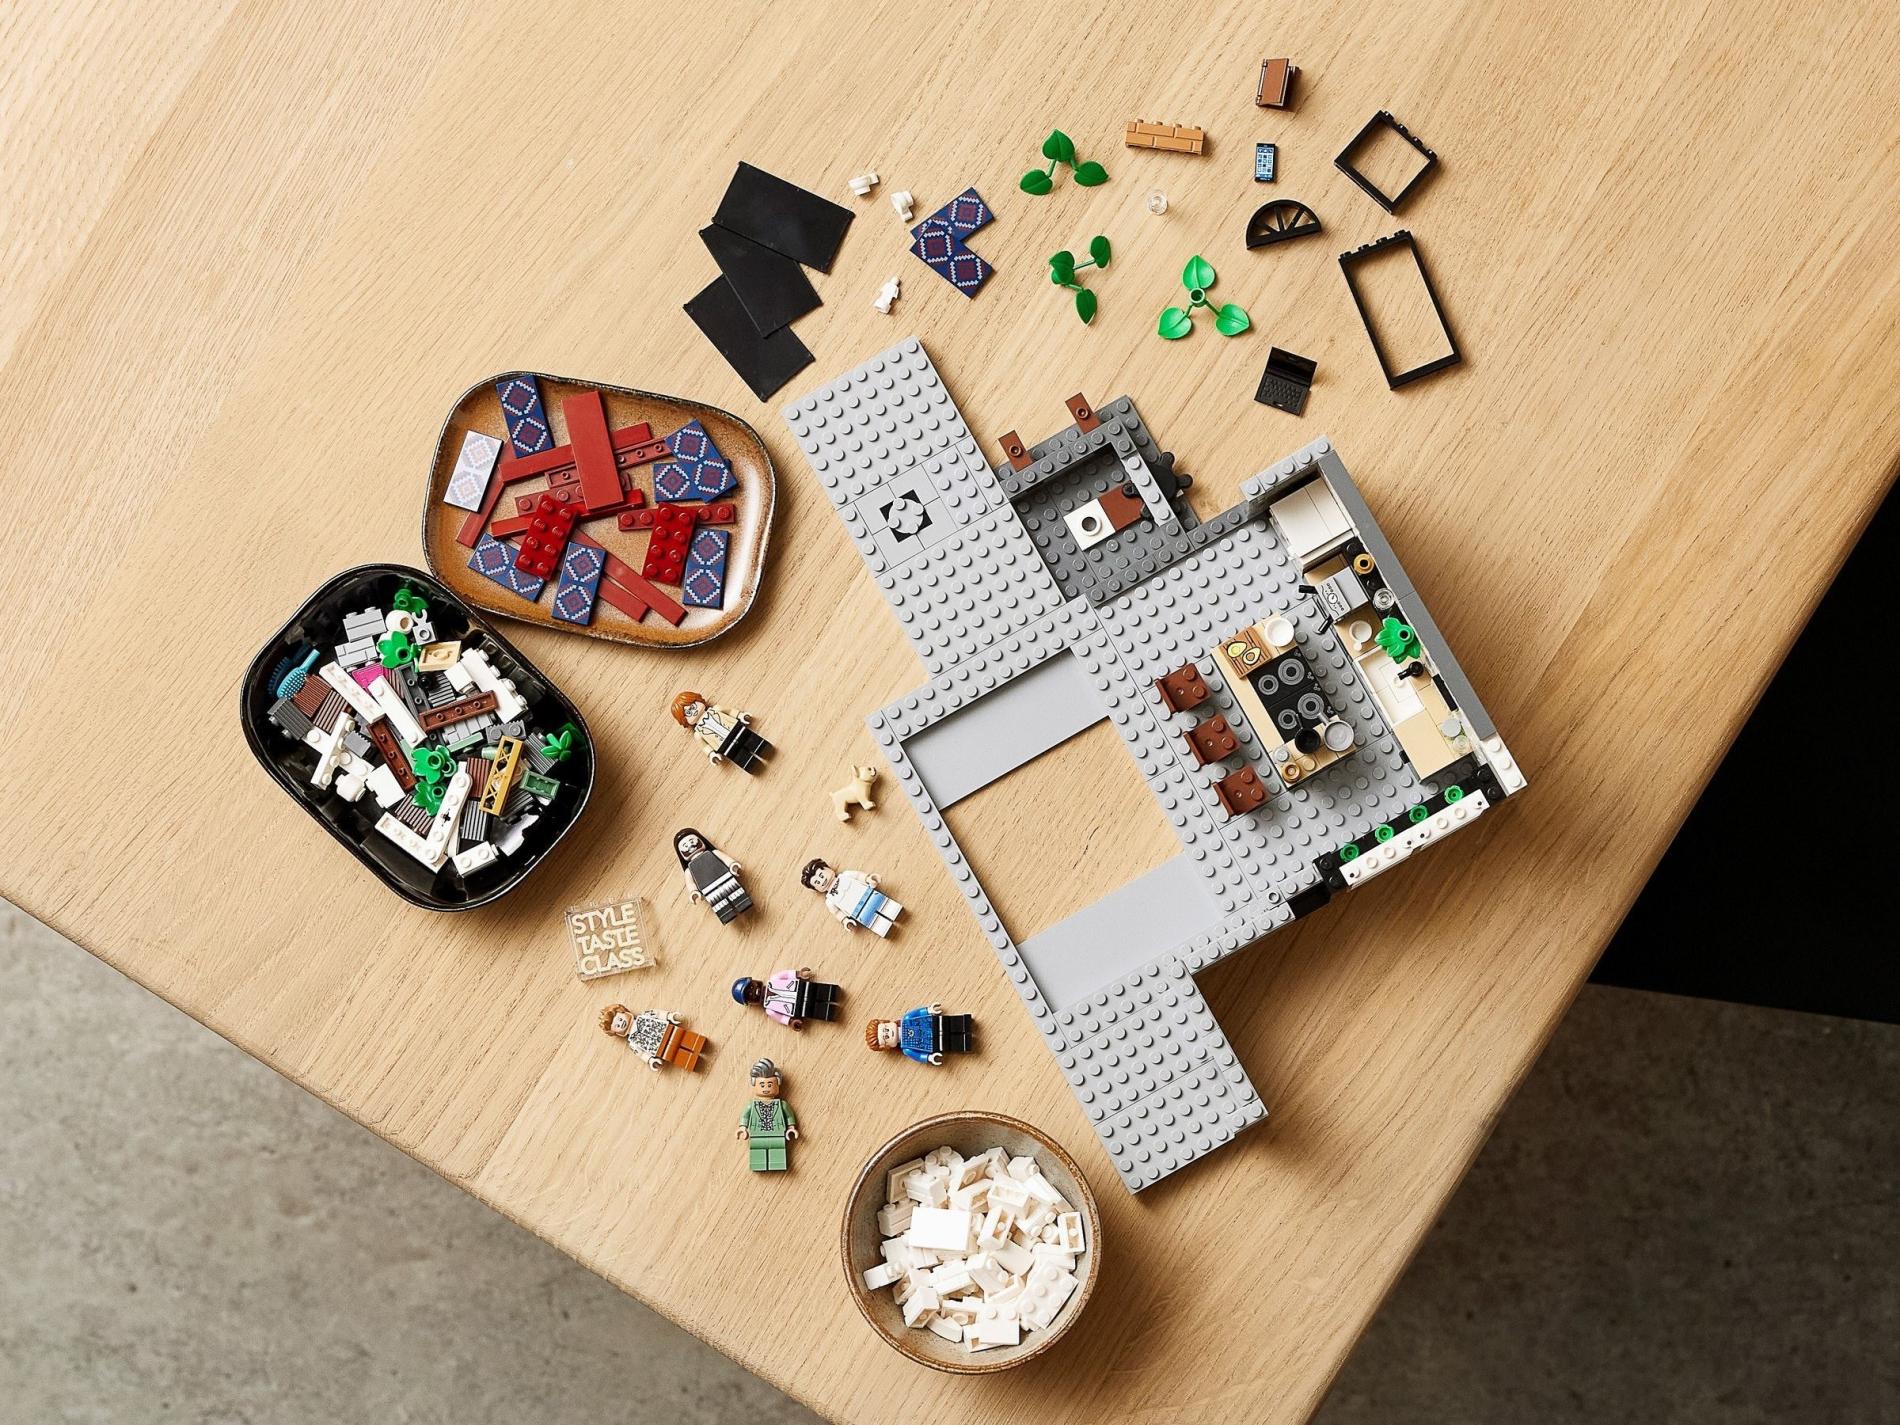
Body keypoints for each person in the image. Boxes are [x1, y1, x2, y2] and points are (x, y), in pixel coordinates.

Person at [670, 690, 771, 774]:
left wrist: (740, 715)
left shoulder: (716, 709)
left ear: (698, 700)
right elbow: (704, 747)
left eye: (693, 706)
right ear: (684, 720)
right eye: (688, 713)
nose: (694, 711)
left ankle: (763, 747)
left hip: (737, 730)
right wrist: (711, 754)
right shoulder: (698, 734)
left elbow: (730, 711)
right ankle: (751, 765)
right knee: (740, 756)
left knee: (752, 740)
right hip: (725, 746)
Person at [800, 858, 902, 936]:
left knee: (891, 909)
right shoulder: (830, 901)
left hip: (871, 897)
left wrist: (868, 878)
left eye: (821, 876)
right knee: (879, 925)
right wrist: (845, 920)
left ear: (828, 868)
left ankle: (894, 910)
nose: (822, 880)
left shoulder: (846, 875)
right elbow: (837, 913)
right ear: (816, 889)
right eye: (817, 882)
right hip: (860, 913)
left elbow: (859, 876)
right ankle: (884, 928)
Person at [674, 827, 752, 924]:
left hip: (726, 879)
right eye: (685, 845)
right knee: (720, 905)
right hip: (709, 890)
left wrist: (732, 865)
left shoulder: (713, 853)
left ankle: (744, 904)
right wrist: (694, 892)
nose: (690, 845)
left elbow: (725, 859)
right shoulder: (689, 870)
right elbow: (690, 883)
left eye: (691, 841)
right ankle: (727, 915)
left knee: (737, 894)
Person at [737, 1058, 798, 1172]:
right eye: (762, 1085)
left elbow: (789, 1116)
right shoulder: (751, 1105)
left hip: (778, 1135)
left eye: (770, 1085)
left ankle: (777, 1164)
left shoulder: (782, 1105)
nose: (766, 1088)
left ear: (777, 1085)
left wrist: (791, 1128)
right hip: (757, 1135)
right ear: (755, 1084)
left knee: (778, 1151)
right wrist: (742, 1128)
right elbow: (745, 1116)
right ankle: (758, 1165)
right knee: (757, 1152)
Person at [865, 1004, 976, 1066]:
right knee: (953, 1043)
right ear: (887, 1046)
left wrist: (929, 1010)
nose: (889, 1033)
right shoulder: (907, 1049)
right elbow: (918, 1056)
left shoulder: (907, 1019)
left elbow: (917, 1013)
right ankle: (966, 1042)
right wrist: (929, 1058)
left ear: (886, 1022)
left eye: (886, 1029)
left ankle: (965, 1022)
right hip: (935, 1043)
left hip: (934, 1023)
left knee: (952, 1023)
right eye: (886, 1037)